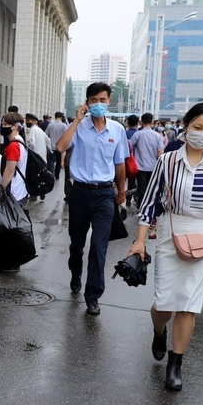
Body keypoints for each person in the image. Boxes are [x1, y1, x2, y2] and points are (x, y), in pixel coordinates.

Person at [128, 102, 203, 391]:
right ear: (186, 125)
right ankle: (158, 330)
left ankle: (175, 363)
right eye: (198, 127)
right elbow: (149, 203)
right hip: (170, 233)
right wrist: (139, 240)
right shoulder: (168, 161)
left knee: (189, 304)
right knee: (164, 303)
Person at [55, 82, 128, 315]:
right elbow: (60, 147)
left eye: (102, 100)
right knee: (77, 244)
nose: (98, 104)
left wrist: (121, 192)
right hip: (80, 193)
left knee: (99, 247)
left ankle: (93, 295)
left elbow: (120, 164)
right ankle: (75, 273)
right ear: (87, 102)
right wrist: (76, 121)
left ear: (109, 102)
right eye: (93, 100)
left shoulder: (117, 130)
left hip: (105, 194)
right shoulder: (79, 127)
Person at [131, 113, 163, 207]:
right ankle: (150, 205)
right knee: (151, 188)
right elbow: (160, 152)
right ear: (152, 122)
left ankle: (142, 206)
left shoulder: (138, 134)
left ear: (141, 121)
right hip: (153, 166)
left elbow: (129, 146)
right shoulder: (157, 136)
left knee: (142, 188)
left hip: (140, 166)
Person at [0, 113, 29, 205]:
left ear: (15, 126)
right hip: (20, 190)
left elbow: (9, 170)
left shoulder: (13, 145)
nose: (2, 127)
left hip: (14, 192)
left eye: (5, 125)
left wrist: (1, 190)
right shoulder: (20, 141)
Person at [45, 112, 69, 180]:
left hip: (51, 146)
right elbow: (66, 136)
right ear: (61, 117)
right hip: (60, 147)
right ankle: (57, 175)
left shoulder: (50, 125)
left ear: (55, 116)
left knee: (51, 161)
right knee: (58, 162)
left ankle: (50, 174)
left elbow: (46, 135)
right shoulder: (64, 126)